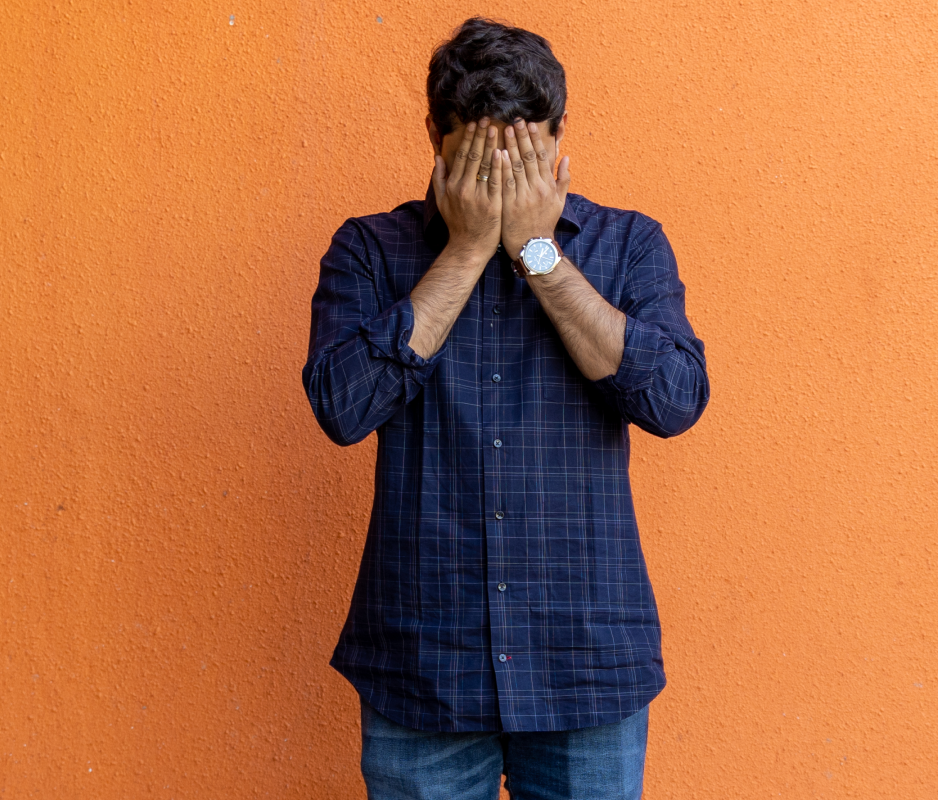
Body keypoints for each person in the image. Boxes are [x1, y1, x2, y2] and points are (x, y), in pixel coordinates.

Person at [302, 16, 709, 800]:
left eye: (521, 158)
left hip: (585, 664)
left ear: (560, 136)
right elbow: (342, 408)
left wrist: (536, 252)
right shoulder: (368, 251)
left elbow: (674, 400)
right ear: (432, 135)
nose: (500, 181)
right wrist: (463, 250)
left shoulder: (628, 246)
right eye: (476, 158)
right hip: (423, 667)